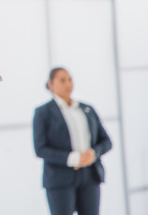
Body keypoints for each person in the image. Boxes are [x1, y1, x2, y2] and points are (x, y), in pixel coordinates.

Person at [33, 67, 112, 215]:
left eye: (70, 79)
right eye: (62, 80)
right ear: (50, 84)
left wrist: (94, 153)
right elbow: (40, 149)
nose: (68, 84)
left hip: (89, 175)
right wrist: (73, 158)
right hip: (60, 178)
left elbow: (106, 141)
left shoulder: (87, 109)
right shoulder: (43, 112)